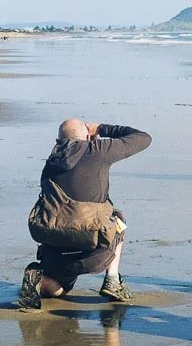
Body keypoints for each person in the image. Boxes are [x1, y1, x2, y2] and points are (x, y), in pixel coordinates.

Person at [18, 119, 152, 309]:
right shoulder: (97, 150)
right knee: (118, 218)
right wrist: (102, 129)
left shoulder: (52, 160)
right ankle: (112, 279)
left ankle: (41, 281)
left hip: (55, 249)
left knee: (60, 290)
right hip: (93, 248)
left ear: (58, 140)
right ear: (88, 137)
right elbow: (143, 138)